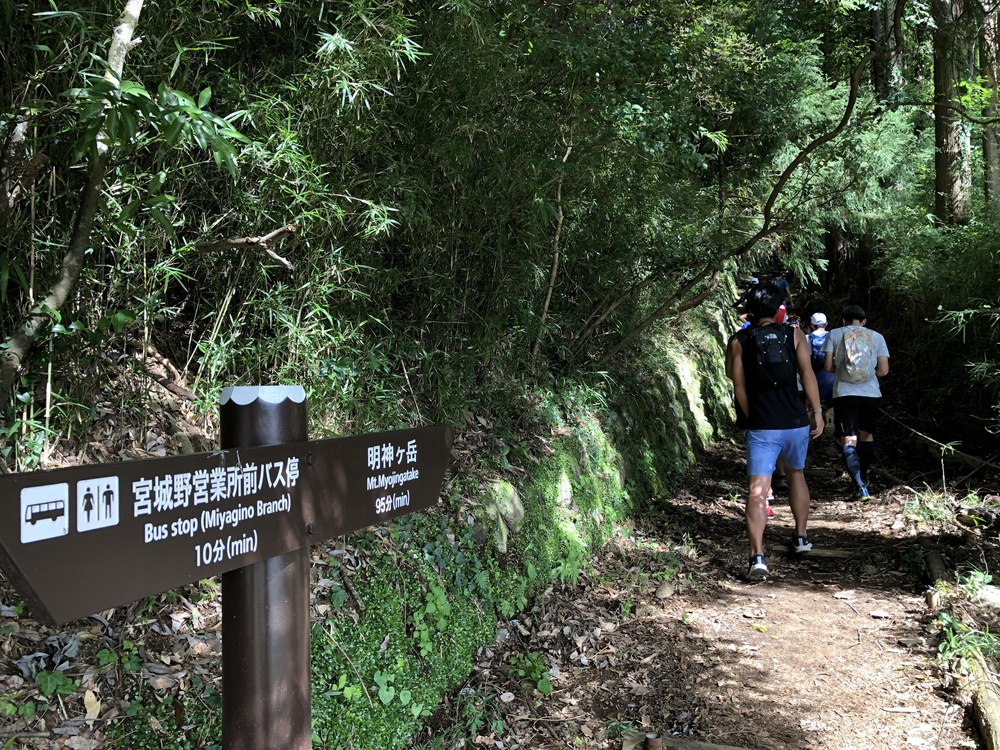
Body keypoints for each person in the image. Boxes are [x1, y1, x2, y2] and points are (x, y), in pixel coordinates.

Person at [726, 281, 824, 581]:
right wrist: (817, 412)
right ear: (777, 308)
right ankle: (801, 536)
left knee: (757, 489)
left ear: (751, 309)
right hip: (795, 421)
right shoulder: (794, 334)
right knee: (797, 474)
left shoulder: (738, 341)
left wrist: (752, 417)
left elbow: (738, 385)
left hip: (762, 425)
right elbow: (807, 374)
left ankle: (757, 557)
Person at [823, 304, 890, 499]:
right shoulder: (877, 336)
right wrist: (867, 374)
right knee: (866, 436)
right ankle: (864, 477)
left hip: (844, 394)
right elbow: (883, 371)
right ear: (864, 321)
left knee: (848, 439)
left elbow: (827, 366)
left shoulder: (835, 334)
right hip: (871, 394)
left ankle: (859, 486)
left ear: (843, 320)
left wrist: (843, 372)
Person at [807, 313, 835, 412]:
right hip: (832, 377)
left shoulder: (808, 338)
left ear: (811, 325)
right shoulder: (833, 336)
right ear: (826, 324)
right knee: (831, 407)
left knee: (815, 407)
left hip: (814, 378)